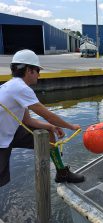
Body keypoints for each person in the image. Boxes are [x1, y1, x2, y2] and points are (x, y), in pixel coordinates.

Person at [0, 49, 85, 187]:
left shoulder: (13, 86)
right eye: (38, 70)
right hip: (1, 138)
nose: (39, 75)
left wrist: (50, 127)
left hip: (10, 131)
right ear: (29, 70)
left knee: (47, 135)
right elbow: (48, 115)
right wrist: (71, 126)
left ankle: (61, 172)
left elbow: (27, 121)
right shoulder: (20, 88)